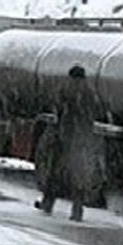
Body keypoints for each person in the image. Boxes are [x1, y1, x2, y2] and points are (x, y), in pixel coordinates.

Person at [35, 64, 105, 222]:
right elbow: (97, 112)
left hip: (65, 137)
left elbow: (58, 110)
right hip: (82, 139)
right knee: (77, 175)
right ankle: (77, 210)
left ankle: (48, 203)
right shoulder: (90, 93)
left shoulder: (66, 91)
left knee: (55, 173)